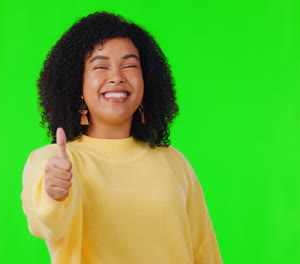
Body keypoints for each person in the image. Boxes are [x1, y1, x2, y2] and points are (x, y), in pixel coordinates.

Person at [21, 11, 222, 264]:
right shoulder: (53, 160)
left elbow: (204, 251)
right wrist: (54, 194)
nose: (117, 77)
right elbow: (46, 224)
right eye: (101, 66)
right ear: (77, 85)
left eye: (129, 66)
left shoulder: (174, 162)